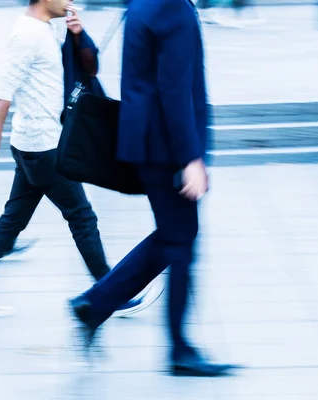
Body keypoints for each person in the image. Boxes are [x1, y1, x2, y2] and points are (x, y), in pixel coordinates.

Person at [0, 0, 162, 317]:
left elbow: (88, 69)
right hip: (43, 148)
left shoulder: (46, 29)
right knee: (83, 218)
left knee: (12, 221)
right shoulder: (27, 34)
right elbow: (4, 92)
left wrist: (77, 34)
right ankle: (112, 292)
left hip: (33, 145)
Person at [68, 0, 239, 376]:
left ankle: (95, 305)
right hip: (165, 147)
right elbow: (174, 89)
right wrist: (190, 157)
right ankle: (178, 348)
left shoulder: (146, 4)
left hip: (148, 143)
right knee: (180, 241)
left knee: (174, 237)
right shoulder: (172, 8)